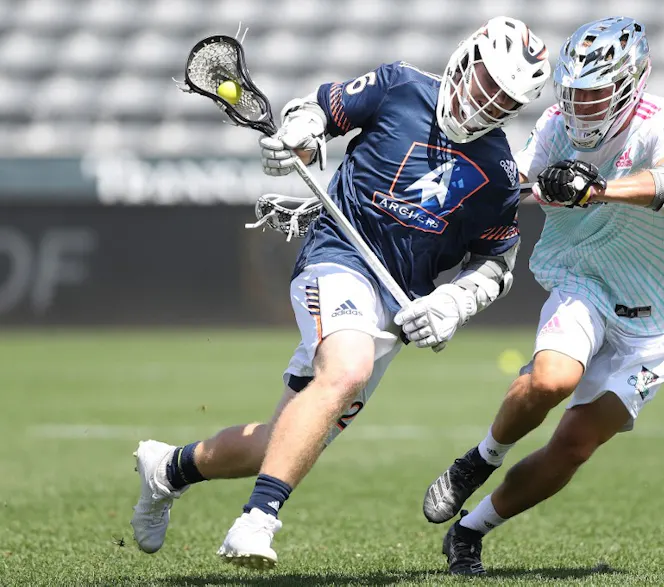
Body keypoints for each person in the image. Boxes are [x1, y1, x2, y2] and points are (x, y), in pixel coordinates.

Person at [129, 17, 551, 569]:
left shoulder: (497, 173)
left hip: (393, 308)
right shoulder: (401, 86)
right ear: (464, 61)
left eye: (504, 100)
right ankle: (257, 521)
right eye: (486, 83)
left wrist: (451, 304)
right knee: (346, 369)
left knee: (281, 442)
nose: (487, 103)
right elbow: (319, 111)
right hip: (337, 259)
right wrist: (301, 137)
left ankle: (168, 470)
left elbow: (497, 264)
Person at [420, 17, 664, 575]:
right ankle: (475, 463)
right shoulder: (555, 126)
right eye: (573, 95)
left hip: (660, 321)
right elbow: (514, 187)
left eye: (596, 95)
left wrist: (596, 189)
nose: (582, 110)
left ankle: (469, 531)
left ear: (629, 86)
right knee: (554, 378)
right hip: (585, 281)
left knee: (574, 446)